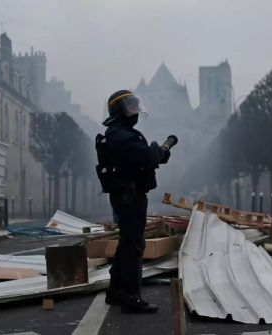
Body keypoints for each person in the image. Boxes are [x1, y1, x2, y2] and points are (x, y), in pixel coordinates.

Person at [96, 89, 176, 313]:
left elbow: (145, 159)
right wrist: (157, 150)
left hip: (128, 194)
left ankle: (116, 291)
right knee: (134, 245)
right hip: (129, 196)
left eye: (135, 106)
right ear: (118, 111)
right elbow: (147, 157)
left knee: (127, 242)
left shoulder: (120, 133)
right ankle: (131, 297)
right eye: (130, 107)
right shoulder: (121, 135)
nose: (135, 111)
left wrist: (159, 153)